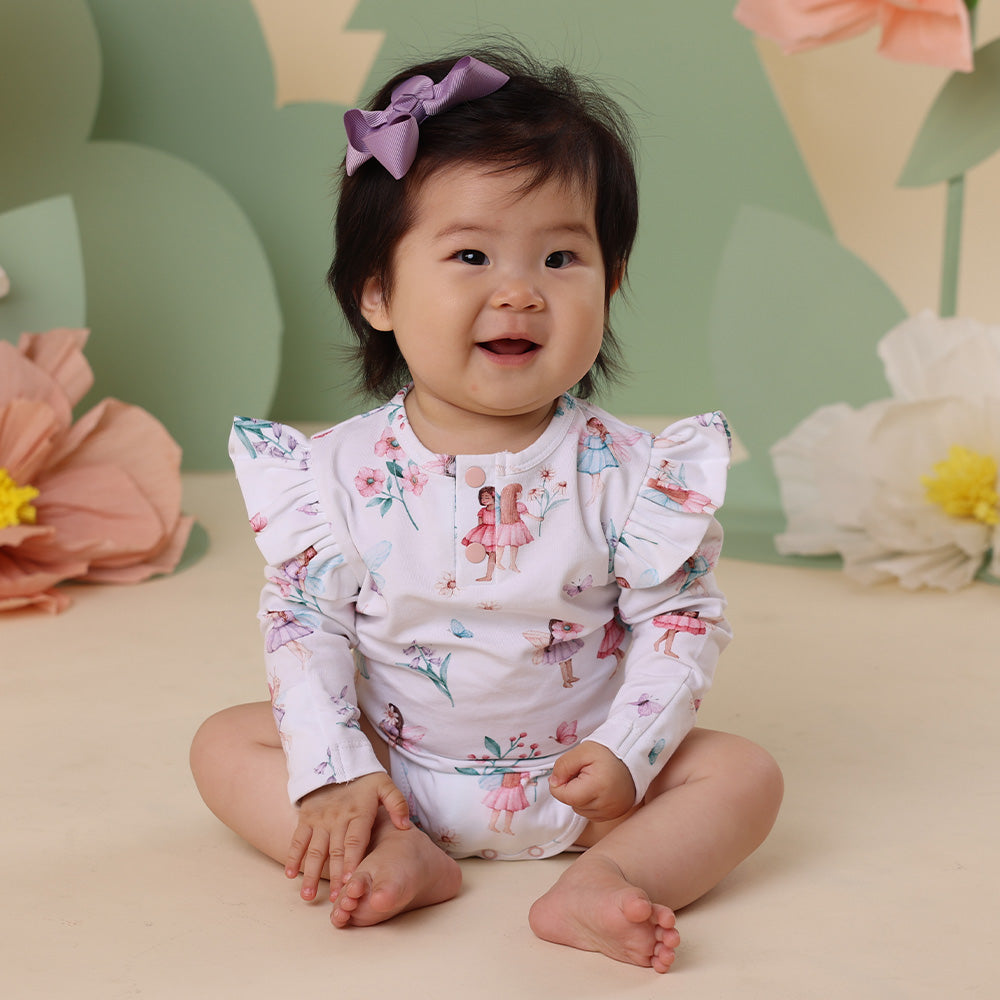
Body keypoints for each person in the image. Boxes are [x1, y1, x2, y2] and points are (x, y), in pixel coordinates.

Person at [190, 45, 783, 975]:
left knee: (743, 774)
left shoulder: (631, 473)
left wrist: (629, 750)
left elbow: (680, 621)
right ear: (377, 292)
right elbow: (304, 626)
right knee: (225, 745)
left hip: (588, 784)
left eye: (561, 257)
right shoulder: (334, 473)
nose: (519, 291)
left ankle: (607, 878)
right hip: (395, 778)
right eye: (471, 255)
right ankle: (394, 851)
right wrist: (337, 769)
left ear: (611, 281)